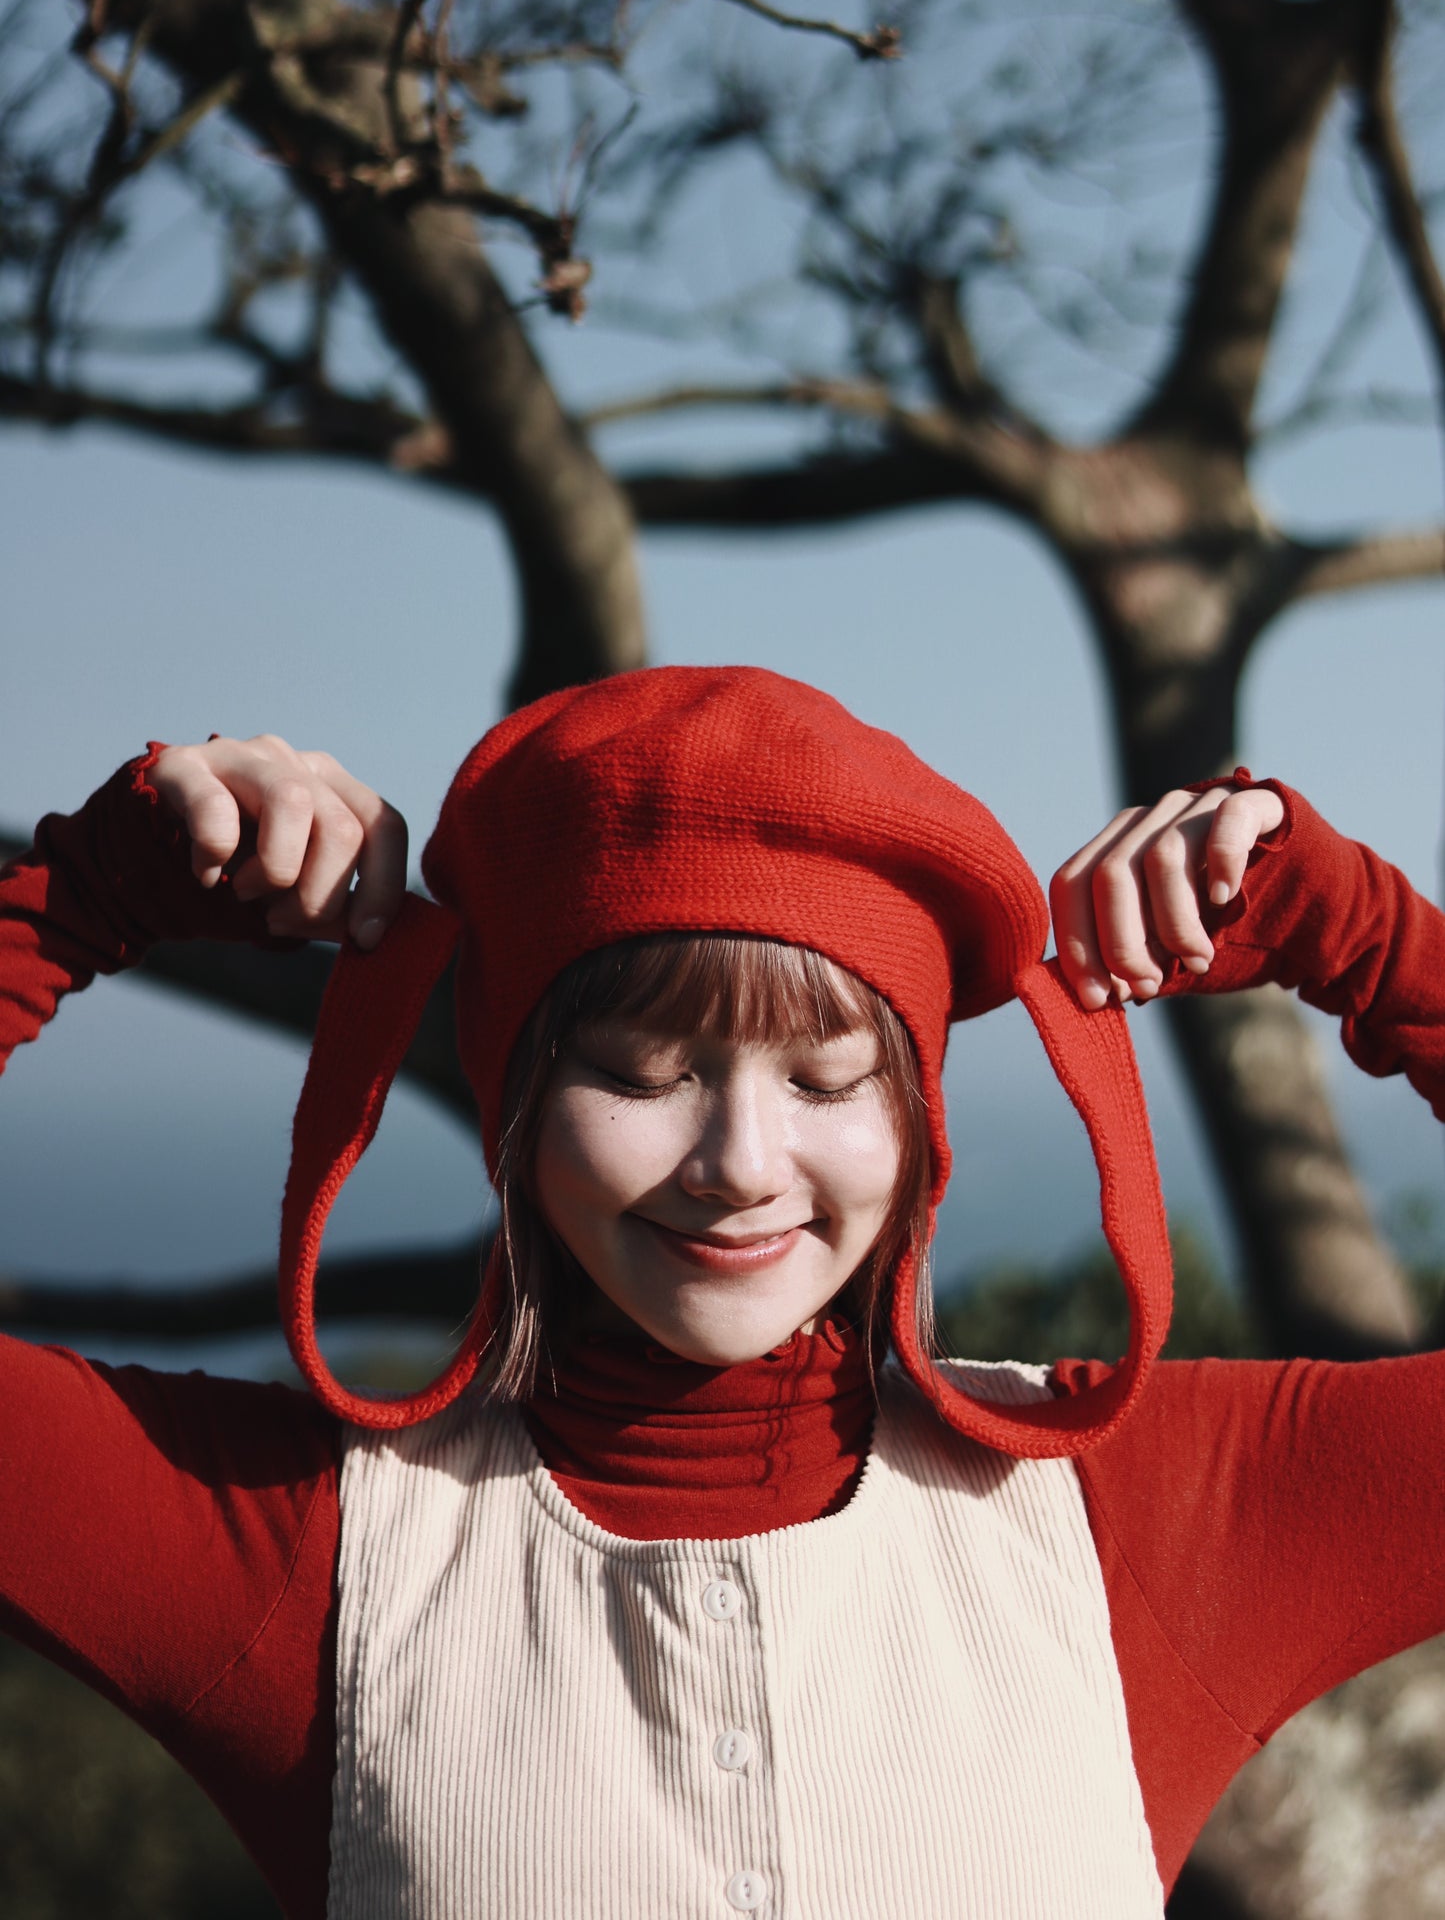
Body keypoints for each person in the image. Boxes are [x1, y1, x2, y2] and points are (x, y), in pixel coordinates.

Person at [2, 664, 1443, 1920]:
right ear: (516, 1102)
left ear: (918, 1122)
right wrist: (90, 893)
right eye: (640, 1074)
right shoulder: (296, 1554)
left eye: (827, 1081)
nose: (740, 1167)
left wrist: (1365, 938)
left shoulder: (1138, 1516)